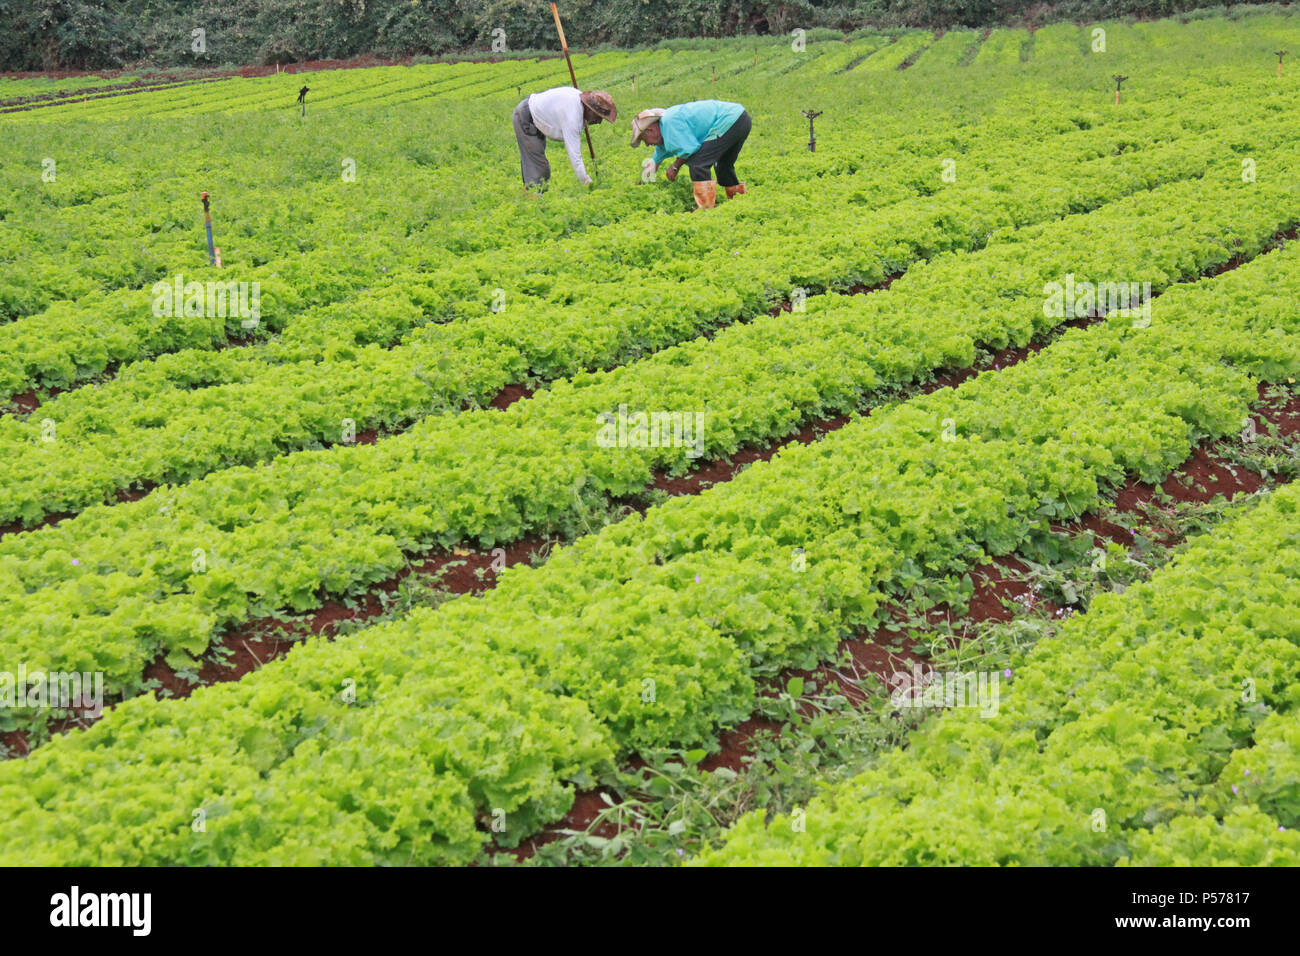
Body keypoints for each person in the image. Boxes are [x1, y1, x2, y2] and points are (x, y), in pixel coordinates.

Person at [630, 100, 751, 209]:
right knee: (723, 164)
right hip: (741, 118)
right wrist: (645, 179)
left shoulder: (669, 124)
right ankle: (738, 201)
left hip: (730, 120)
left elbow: (689, 150)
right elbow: (659, 155)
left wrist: (675, 167)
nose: (646, 144)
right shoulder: (665, 126)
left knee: (698, 163)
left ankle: (706, 208)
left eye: (643, 139)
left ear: (650, 130)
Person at [513, 87, 617, 190]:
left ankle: (535, 197)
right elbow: (574, 155)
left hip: (537, 115)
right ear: (589, 110)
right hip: (526, 117)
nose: (599, 122)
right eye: (598, 117)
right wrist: (586, 180)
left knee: (540, 170)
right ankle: (532, 200)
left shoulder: (579, 104)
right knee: (537, 169)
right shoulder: (572, 117)